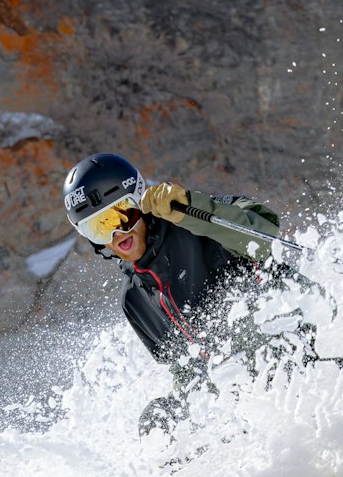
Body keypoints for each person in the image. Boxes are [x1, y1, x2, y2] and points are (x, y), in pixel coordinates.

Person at [61, 152, 328, 434]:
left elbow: (264, 236)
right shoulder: (134, 301)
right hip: (255, 393)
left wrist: (190, 208)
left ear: (139, 200)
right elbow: (185, 369)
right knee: (158, 419)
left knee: (246, 329)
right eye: (98, 228)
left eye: (121, 215)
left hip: (305, 336)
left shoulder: (195, 222)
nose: (116, 234)